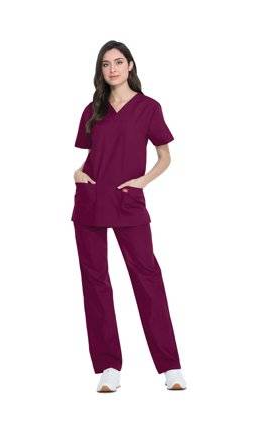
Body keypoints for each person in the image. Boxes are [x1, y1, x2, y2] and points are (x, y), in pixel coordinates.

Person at [71, 40, 187, 392]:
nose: (113, 69)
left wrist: (143, 181)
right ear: (100, 70)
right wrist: (78, 173)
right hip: (90, 200)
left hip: (127, 200)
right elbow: (93, 155)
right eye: (106, 64)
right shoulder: (93, 108)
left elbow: (165, 157)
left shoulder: (149, 108)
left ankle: (170, 367)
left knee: (147, 279)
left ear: (130, 65)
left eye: (119, 62)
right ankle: (108, 367)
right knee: (95, 283)